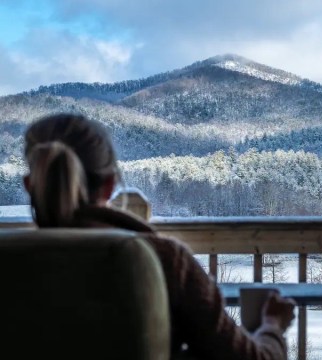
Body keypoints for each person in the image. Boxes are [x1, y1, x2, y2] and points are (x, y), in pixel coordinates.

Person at [23, 113, 295, 359]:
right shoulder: (164, 260)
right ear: (110, 185)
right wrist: (272, 326)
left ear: (30, 185)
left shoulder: (15, 263)